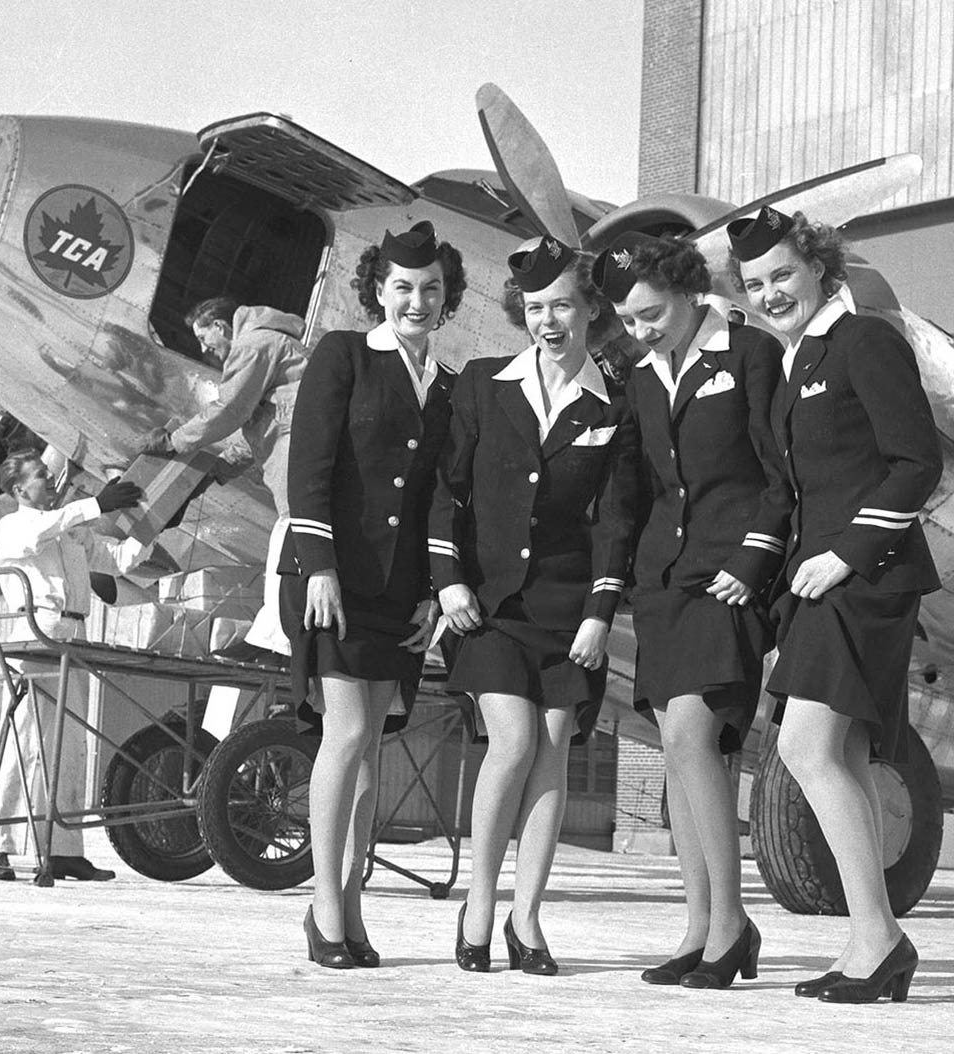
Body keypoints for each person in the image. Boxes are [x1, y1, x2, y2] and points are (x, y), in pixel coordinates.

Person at [730, 206, 942, 1003]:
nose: (771, 292)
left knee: (807, 750)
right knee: (840, 755)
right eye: (755, 284)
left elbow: (915, 464)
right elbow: (789, 487)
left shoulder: (866, 341)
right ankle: (872, 940)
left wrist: (846, 553)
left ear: (818, 265)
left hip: (867, 578)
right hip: (818, 584)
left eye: (783, 273)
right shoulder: (795, 364)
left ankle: (879, 939)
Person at [430, 235, 638, 975]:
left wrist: (599, 613)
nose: (546, 321)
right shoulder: (484, 383)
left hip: (566, 607)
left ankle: (527, 918)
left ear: (589, 311)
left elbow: (616, 518)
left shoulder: (614, 401)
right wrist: (447, 577)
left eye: (561, 307)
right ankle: (480, 905)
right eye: (534, 308)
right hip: (486, 605)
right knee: (513, 742)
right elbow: (444, 489)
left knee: (551, 753)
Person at [592, 232, 793, 989]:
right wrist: (619, 586)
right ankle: (702, 926)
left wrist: (754, 561)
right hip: (667, 583)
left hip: (729, 576)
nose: (639, 330)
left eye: (650, 314)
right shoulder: (642, 376)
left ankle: (733, 924)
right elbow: (631, 493)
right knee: (678, 752)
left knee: (692, 735)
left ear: (685, 290)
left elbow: (781, 475)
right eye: (629, 320)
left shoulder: (750, 354)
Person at [278, 220, 466, 968]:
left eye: (430, 290)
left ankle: (351, 910)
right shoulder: (344, 355)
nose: (416, 302)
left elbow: (439, 501)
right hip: (338, 580)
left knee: (370, 754)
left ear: (447, 298)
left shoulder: (448, 387)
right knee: (347, 735)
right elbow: (309, 467)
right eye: (402, 288)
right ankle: (324, 908)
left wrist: (432, 591)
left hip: (399, 593)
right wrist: (318, 563)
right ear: (377, 292)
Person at [0, 450, 144, 882]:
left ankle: (63, 849)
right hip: (35, 633)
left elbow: (119, 561)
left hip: (72, 635)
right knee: (26, 740)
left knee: (68, 744)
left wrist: (160, 520)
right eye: (40, 475)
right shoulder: (15, 524)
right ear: (19, 489)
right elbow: (39, 533)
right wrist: (95, 504)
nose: (50, 479)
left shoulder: (70, 530)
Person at [140, 297, 309, 661]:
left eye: (205, 338)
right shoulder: (269, 348)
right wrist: (216, 472)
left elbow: (230, 410)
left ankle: (276, 642)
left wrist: (174, 441)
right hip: (293, 452)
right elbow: (257, 429)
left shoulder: (253, 345)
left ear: (221, 326)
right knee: (291, 541)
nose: (204, 350)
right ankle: (277, 639)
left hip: (300, 456)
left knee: (290, 541)